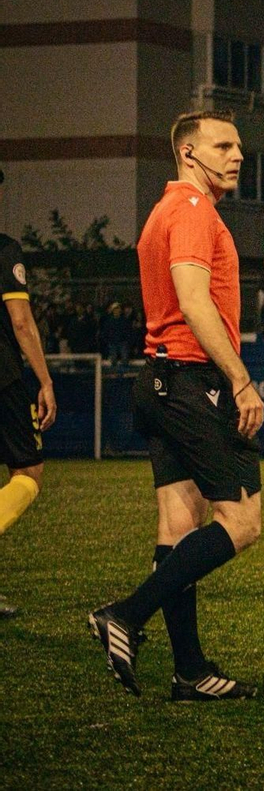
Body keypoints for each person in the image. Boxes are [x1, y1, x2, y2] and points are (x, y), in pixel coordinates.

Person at [90, 110, 264, 700]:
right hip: (194, 381)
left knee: (179, 523)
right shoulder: (192, 211)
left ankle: (189, 671)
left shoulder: (163, 211)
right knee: (241, 523)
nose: (237, 154)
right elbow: (194, 302)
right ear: (189, 154)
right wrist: (239, 378)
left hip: (161, 380)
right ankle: (127, 615)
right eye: (224, 145)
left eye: (239, 145)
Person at [0, 170, 57, 618]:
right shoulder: (5, 250)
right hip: (3, 379)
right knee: (28, 473)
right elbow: (20, 321)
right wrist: (45, 379)